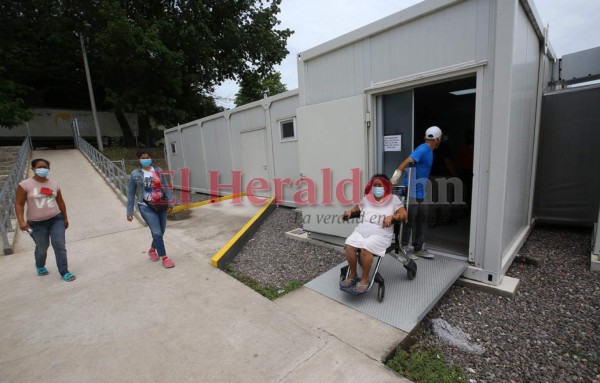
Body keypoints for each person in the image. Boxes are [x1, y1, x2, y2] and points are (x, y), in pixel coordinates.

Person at [340, 174, 406, 294]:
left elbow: (404, 214)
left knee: (366, 248)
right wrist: (350, 211)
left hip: (381, 233)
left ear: (386, 186)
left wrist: (392, 217)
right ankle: (353, 275)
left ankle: (365, 279)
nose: (376, 187)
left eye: (379, 185)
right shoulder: (367, 198)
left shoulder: (393, 199)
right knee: (349, 245)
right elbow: (357, 208)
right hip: (362, 230)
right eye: (374, 185)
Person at [14, 158, 76, 281]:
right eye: (39, 167)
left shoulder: (54, 184)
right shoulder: (25, 185)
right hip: (36, 223)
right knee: (42, 247)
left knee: (59, 245)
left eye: (45, 167)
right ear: (33, 169)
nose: (43, 169)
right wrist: (21, 221)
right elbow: (19, 203)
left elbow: (60, 202)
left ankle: (64, 272)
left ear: (48, 169)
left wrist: (65, 217)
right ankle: (40, 265)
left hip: (56, 219)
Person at [390, 126, 443, 259]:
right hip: (411, 191)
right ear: (438, 139)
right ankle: (404, 248)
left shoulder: (429, 150)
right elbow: (406, 162)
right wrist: (394, 179)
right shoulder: (423, 148)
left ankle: (418, 247)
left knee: (422, 219)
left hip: (420, 192)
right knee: (409, 220)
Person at [126, 150, 175, 268]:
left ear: (151, 158)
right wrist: (129, 211)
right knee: (157, 232)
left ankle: (152, 250)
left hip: (160, 204)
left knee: (161, 231)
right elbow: (131, 193)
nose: (145, 159)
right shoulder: (135, 174)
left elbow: (165, 187)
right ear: (138, 159)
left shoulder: (158, 171)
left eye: (147, 157)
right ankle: (165, 257)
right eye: (143, 157)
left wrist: (170, 202)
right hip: (145, 206)